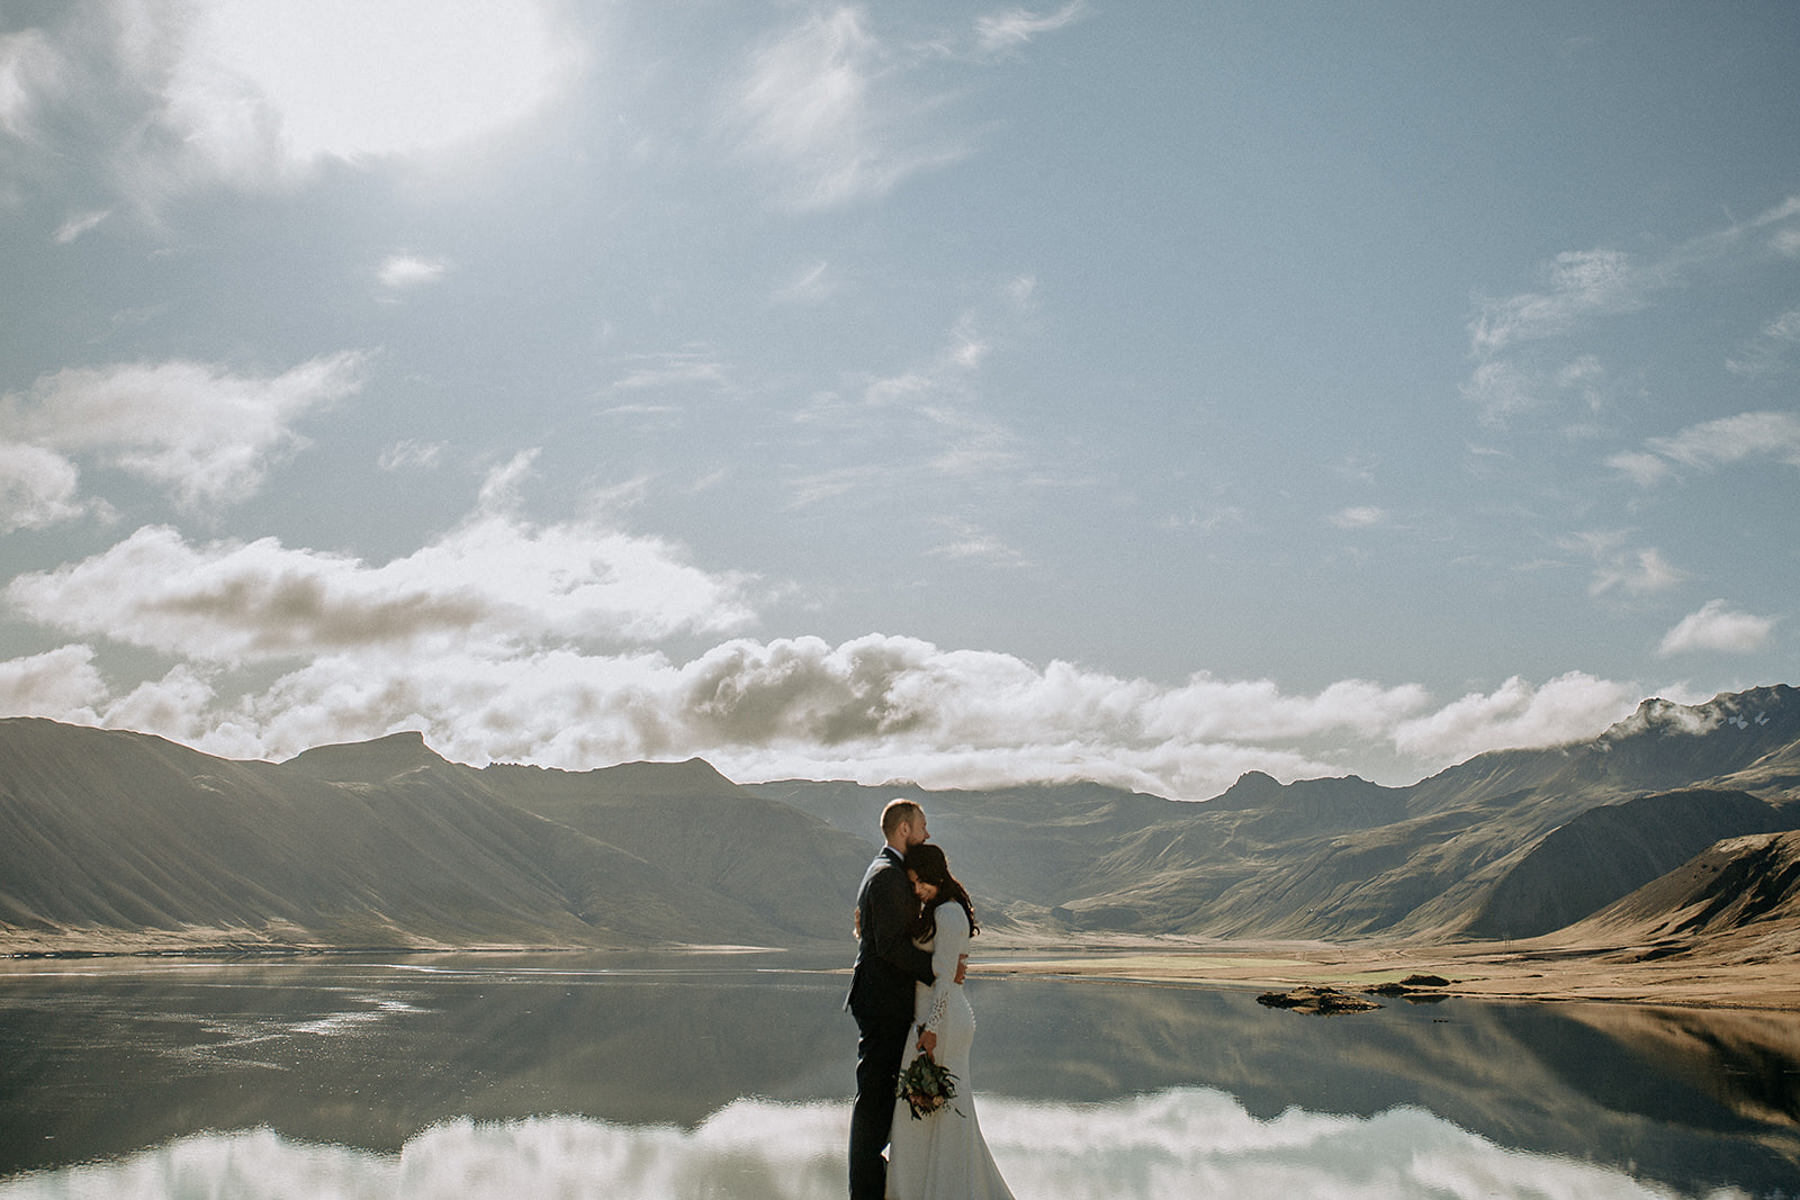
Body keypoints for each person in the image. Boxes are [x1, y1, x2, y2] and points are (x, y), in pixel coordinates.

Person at [884, 842, 1015, 1200]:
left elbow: (944, 980)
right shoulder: (937, 910)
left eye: (920, 881)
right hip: (933, 1020)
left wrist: (931, 1030)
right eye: (912, 883)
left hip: (940, 1023)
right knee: (932, 1111)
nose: (916, 889)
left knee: (936, 1109)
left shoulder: (948, 913)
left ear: (935, 875)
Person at [847, 799, 947, 1200]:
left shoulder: (885, 870)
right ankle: (866, 1191)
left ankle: (873, 1185)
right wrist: (938, 970)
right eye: (922, 826)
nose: (927, 833)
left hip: (881, 1000)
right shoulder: (888, 875)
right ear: (904, 829)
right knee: (874, 1099)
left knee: (877, 1096)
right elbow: (890, 946)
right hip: (882, 1002)